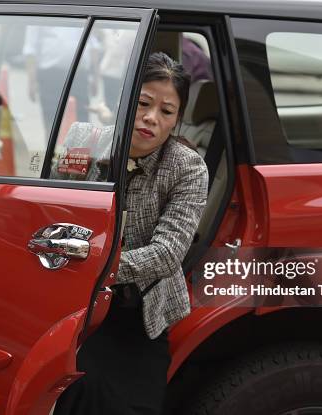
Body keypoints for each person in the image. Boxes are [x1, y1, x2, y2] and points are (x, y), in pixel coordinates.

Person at [52, 52, 209, 415]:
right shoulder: (84, 141)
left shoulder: (188, 168)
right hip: (81, 301)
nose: (151, 118)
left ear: (176, 120)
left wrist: (95, 265)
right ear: (125, 102)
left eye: (166, 112)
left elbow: (168, 253)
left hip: (143, 311)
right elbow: (57, 209)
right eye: (143, 103)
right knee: (70, 395)